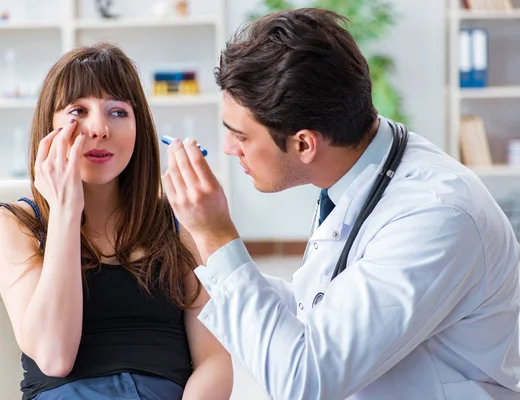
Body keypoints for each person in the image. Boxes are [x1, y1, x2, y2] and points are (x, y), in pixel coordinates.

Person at [163, 8, 520, 400]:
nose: (229, 149)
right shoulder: (357, 175)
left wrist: (217, 238)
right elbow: (312, 307)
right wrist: (205, 253)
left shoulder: (436, 215)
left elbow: (304, 381)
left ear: (303, 144)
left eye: (241, 136)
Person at [0, 43, 233, 400]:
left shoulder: (176, 222)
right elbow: (54, 357)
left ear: (139, 128)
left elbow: (215, 361)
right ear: (48, 127)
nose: (98, 129)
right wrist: (65, 211)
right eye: (78, 110)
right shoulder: (13, 224)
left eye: (117, 112)